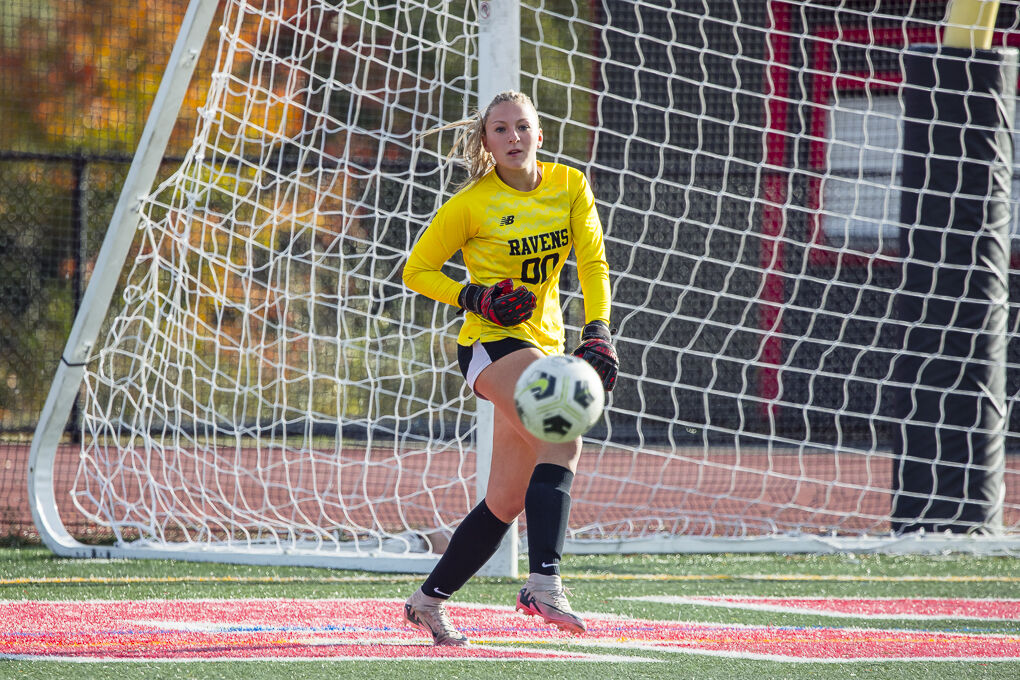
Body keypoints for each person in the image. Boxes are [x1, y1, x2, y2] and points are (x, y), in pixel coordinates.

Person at [401, 90, 618, 646]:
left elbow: (592, 260)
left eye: (522, 127)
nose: (512, 137)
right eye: (499, 129)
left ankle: (427, 601)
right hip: (488, 344)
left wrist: (597, 329)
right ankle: (543, 583)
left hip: (543, 346)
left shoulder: (570, 185)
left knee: (506, 500)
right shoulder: (472, 203)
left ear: (539, 135)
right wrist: (473, 296)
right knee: (562, 432)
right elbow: (418, 269)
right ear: (486, 142)